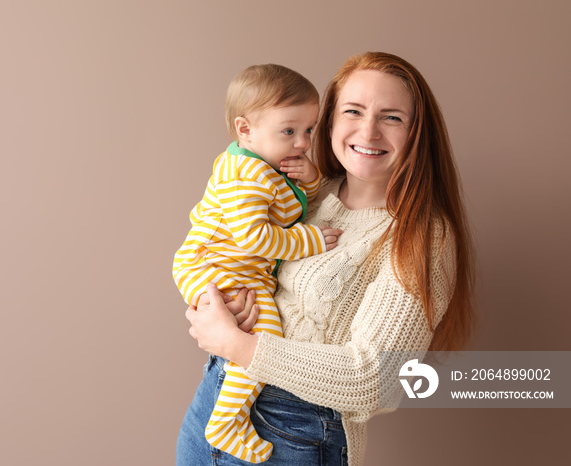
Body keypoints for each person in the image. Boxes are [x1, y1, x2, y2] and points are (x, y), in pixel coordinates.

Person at [179, 52, 475, 466]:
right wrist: (210, 304)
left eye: (392, 118)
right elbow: (233, 246)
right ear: (331, 121)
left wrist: (239, 344)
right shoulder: (306, 194)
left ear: (417, 133)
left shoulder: (423, 237)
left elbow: (377, 380)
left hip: (298, 433)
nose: (368, 131)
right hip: (216, 398)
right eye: (353, 111)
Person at [173, 64, 343, 463]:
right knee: (263, 336)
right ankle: (227, 420)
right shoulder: (246, 174)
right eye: (289, 131)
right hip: (215, 266)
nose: (302, 142)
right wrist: (312, 240)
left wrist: (312, 178)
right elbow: (256, 238)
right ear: (245, 130)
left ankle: (229, 413)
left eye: (309, 130)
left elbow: (290, 205)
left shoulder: (268, 165)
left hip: (234, 268)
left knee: (257, 336)